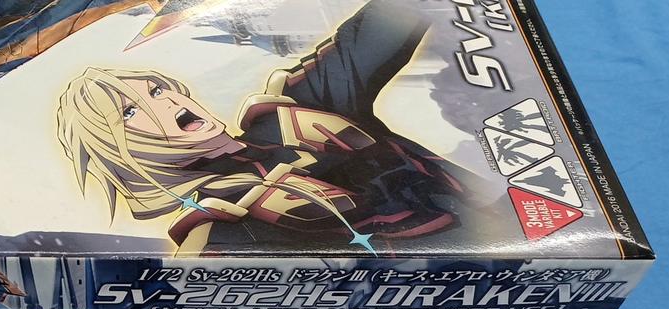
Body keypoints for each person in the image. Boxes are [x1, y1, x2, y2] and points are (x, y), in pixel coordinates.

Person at [56, 0, 479, 256]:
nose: (163, 103)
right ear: (118, 150)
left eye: (156, 89)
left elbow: (385, 25)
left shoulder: (297, 112)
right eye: (130, 113)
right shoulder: (220, 231)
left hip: (502, 222)